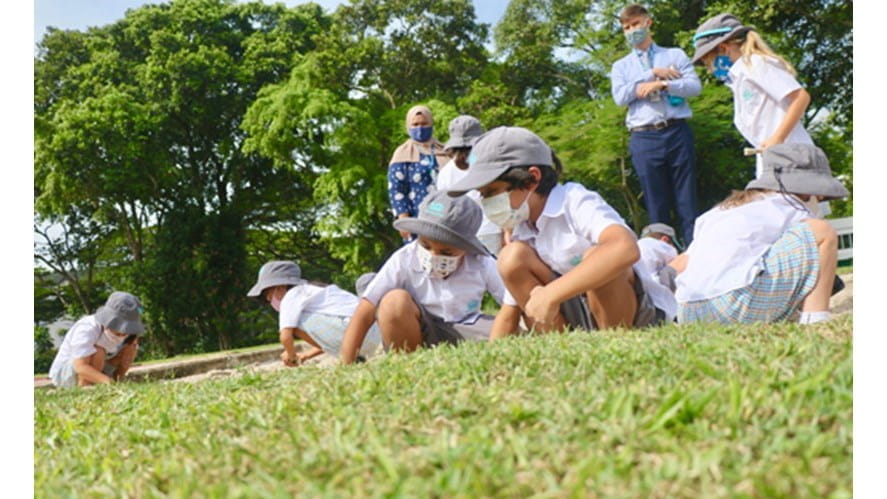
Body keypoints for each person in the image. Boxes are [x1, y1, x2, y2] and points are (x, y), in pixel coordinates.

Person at [444, 126, 676, 338]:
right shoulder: (520, 229)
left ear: (531, 178)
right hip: (576, 315)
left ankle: (612, 340)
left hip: (631, 313)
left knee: (599, 255)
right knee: (511, 257)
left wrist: (551, 294)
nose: (485, 202)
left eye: (492, 191)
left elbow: (624, 248)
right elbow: (510, 309)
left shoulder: (574, 201)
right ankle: (563, 343)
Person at [672, 144, 847, 325]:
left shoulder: (718, 212)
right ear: (808, 190)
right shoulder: (791, 205)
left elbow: (681, 263)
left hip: (689, 311)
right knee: (821, 231)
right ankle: (815, 320)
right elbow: (814, 250)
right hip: (736, 305)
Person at [339, 190, 512, 363]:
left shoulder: (481, 262)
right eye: (426, 245)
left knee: (513, 335)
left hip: (466, 326)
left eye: (446, 252)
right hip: (416, 328)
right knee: (393, 302)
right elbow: (366, 309)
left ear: (466, 248)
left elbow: (512, 300)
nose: (433, 255)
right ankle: (409, 363)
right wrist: (347, 363)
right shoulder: (404, 258)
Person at [610, 3, 702, 245]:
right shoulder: (621, 66)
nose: (632, 30)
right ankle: (663, 257)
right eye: (626, 27)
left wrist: (664, 84)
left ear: (648, 22)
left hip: (676, 130)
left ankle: (694, 251)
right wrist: (650, 74)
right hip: (644, 137)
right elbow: (620, 97)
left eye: (635, 24)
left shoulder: (674, 55)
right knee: (655, 202)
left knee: (687, 198)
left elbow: (695, 87)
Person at [247, 261, 382, 366]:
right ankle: (353, 356)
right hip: (372, 335)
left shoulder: (291, 296)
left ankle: (349, 356)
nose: (269, 301)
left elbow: (285, 336)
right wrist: (306, 355)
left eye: (269, 296)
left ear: (280, 287)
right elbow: (328, 338)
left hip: (352, 333)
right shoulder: (314, 292)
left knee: (295, 324)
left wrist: (291, 355)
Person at [435, 115, 504, 255]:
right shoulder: (489, 165)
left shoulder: (445, 172)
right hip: (492, 230)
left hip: (462, 236)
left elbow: (441, 208)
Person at [48, 291, 145, 388]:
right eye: (118, 332)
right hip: (68, 372)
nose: (122, 335)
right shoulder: (87, 328)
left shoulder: (127, 335)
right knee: (99, 351)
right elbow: (80, 366)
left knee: (131, 347)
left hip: (99, 366)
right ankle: (85, 386)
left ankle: (116, 382)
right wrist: (109, 382)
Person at [388, 105, 450, 241]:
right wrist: (402, 217)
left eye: (424, 124)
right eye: (415, 124)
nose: (420, 128)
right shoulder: (402, 154)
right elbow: (396, 189)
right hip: (417, 218)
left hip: (446, 216)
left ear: (431, 124)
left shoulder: (445, 150)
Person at [638, 223, 679, 292]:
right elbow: (678, 261)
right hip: (653, 288)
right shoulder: (663, 246)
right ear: (665, 239)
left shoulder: (636, 245)